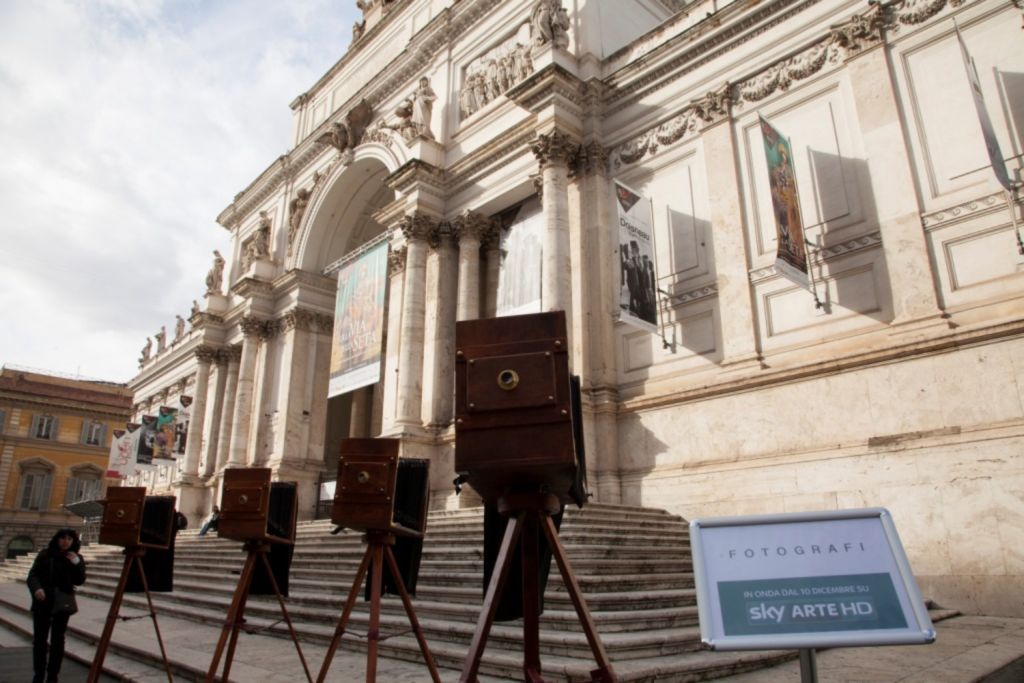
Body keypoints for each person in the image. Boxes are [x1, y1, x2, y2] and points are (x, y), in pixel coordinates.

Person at [27, 528, 86, 683]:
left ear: (73, 541)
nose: (66, 542)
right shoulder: (45, 554)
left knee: (58, 640)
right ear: (57, 539)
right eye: (63, 538)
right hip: (43, 601)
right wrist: (37, 589)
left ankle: (53, 675)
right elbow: (32, 575)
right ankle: (38, 674)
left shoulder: (75, 557)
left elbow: (80, 580)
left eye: (69, 539)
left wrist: (77, 563)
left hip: (62, 602)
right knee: (40, 639)